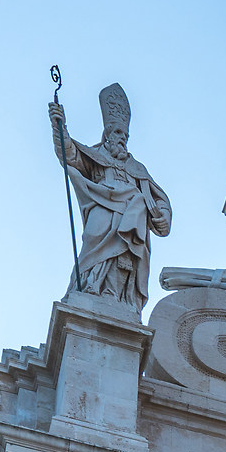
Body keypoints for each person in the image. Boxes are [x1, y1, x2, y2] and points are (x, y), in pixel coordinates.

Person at [51, 83, 171, 309]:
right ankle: (88, 287)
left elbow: (159, 199)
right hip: (102, 209)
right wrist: (60, 128)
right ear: (107, 133)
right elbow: (69, 154)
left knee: (124, 256)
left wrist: (163, 214)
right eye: (117, 132)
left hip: (132, 215)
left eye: (125, 134)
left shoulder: (138, 168)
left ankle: (115, 296)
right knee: (92, 248)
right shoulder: (95, 154)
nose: (122, 138)